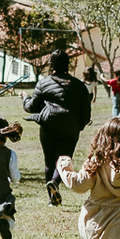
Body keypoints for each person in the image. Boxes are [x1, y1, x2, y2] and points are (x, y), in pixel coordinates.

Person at [20, 49, 91, 207]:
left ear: (51, 64)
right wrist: (77, 127)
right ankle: (54, 182)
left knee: (49, 163)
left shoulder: (43, 83)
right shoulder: (79, 86)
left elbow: (31, 107)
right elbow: (86, 115)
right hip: (70, 129)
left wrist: (25, 97)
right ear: (69, 64)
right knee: (63, 160)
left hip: (48, 126)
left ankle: (52, 199)